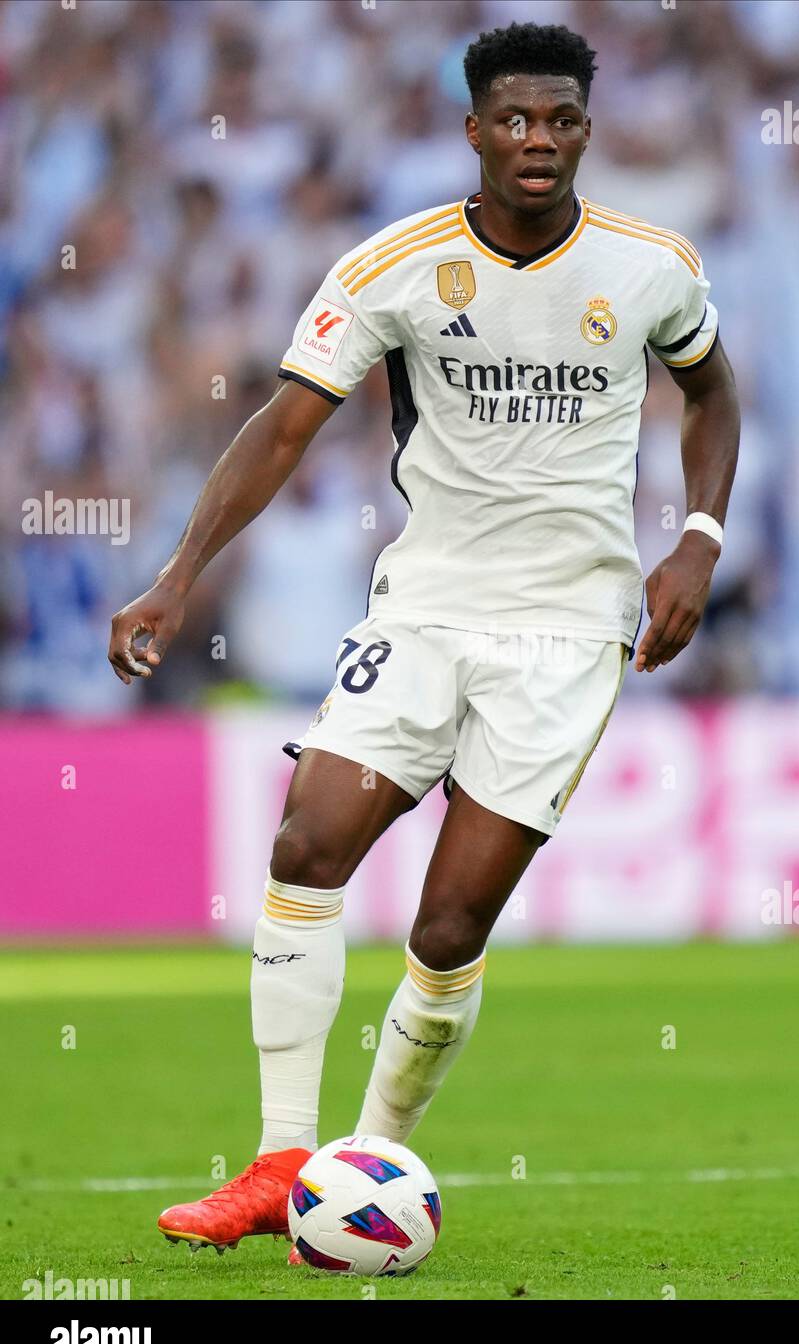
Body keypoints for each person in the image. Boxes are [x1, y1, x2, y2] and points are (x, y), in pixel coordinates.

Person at [108, 22, 740, 1263]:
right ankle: (282, 1163)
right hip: (423, 609)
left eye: (558, 120)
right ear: (472, 131)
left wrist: (700, 538)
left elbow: (713, 393)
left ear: (585, 131)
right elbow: (283, 429)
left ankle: (366, 1158)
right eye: (513, 119)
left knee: (448, 932)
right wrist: (179, 575)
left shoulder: (651, 266)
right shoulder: (392, 266)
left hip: (566, 633)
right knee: (308, 837)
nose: (537, 141)